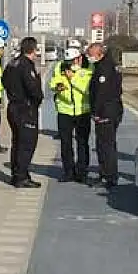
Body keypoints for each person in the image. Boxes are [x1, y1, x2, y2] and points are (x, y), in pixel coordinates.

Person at [1, 36, 43, 188]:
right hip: (25, 109)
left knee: (17, 142)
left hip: (13, 107)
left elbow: (4, 81)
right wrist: (36, 100)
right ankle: (21, 176)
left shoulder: (12, 63)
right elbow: (34, 89)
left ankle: (17, 174)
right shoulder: (26, 65)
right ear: (33, 49)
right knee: (27, 144)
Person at [49, 47, 92, 183]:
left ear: (79, 58)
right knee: (65, 143)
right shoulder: (60, 66)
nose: (69, 64)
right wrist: (57, 86)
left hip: (82, 111)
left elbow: (87, 88)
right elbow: (53, 82)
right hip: (64, 111)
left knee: (82, 143)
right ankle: (68, 171)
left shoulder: (88, 68)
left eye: (72, 61)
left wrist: (72, 79)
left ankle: (82, 172)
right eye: (68, 61)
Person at [86, 42, 123, 189]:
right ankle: (110, 174)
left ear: (99, 54)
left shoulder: (103, 68)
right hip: (113, 108)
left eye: (91, 55)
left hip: (106, 111)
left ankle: (108, 176)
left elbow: (101, 93)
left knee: (104, 145)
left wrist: (95, 112)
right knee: (109, 144)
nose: (89, 57)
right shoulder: (111, 64)